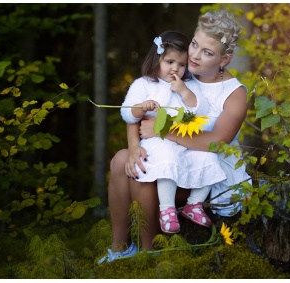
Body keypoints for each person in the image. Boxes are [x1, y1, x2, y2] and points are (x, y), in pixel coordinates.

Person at [98, 9, 250, 264]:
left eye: (207, 52)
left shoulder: (234, 93)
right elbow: (138, 115)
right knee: (122, 159)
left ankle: (149, 251)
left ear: (225, 59)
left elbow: (217, 143)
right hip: (175, 158)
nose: (194, 56)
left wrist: (163, 130)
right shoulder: (180, 74)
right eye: (194, 44)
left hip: (210, 172)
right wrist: (134, 146)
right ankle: (120, 248)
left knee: (145, 169)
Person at [119, 30, 226, 235]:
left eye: (182, 64)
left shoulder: (189, 85)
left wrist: (184, 91)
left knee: (210, 158)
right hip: (157, 143)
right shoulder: (143, 84)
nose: (175, 68)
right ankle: (166, 210)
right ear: (157, 59)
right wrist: (141, 107)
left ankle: (193, 205)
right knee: (167, 158)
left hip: (184, 142)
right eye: (170, 62)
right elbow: (127, 114)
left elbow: (200, 111)